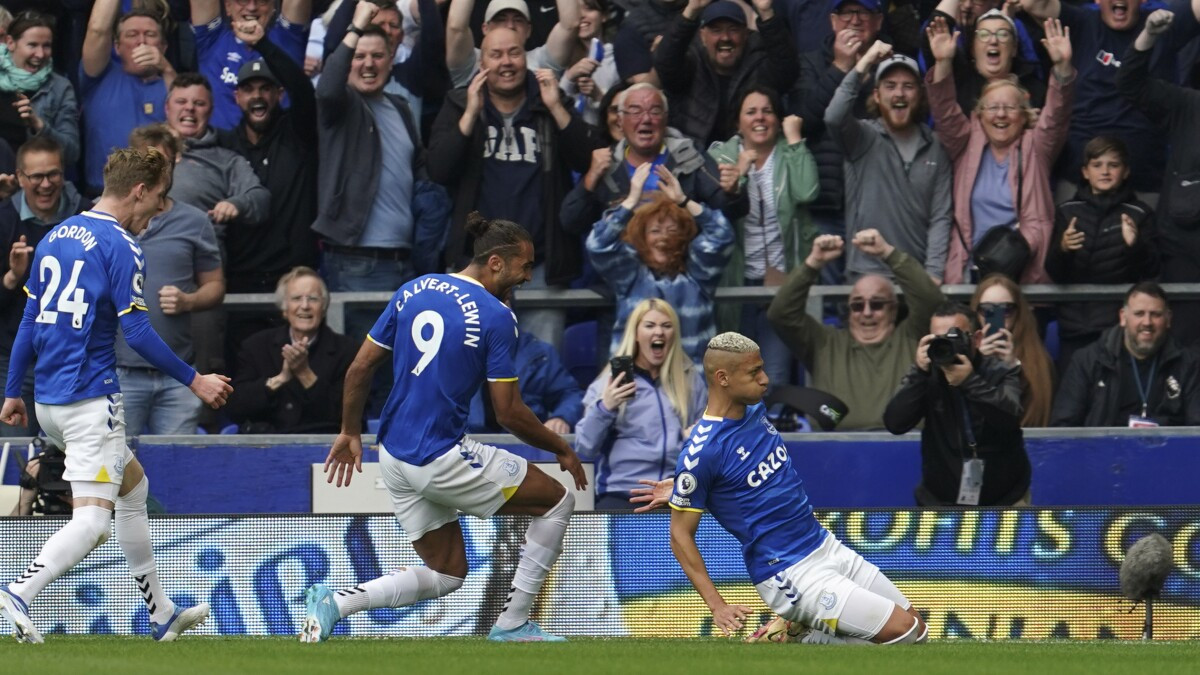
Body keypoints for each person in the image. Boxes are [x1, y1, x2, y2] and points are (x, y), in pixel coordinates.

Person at [302, 213, 587, 643]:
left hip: (394, 455)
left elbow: (359, 368)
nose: (528, 276)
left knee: (447, 571)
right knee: (557, 501)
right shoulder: (497, 316)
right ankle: (513, 624)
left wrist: (349, 431)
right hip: (440, 455)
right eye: (524, 266)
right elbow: (507, 412)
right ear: (495, 262)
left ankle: (336, 603)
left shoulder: (412, 289)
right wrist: (560, 447)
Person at [0, 147, 232, 643]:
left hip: (49, 399)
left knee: (133, 489)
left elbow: (28, 321)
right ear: (140, 191)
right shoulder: (121, 246)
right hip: (90, 400)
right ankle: (19, 591)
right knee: (93, 521)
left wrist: (11, 391)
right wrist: (195, 379)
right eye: (157, 199)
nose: (156, 212)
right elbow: (140, 333)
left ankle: (161, 613)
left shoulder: (55, 235)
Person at [633, 332, 928, 645]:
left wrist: (685, 488)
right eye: (753, 373)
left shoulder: (754, 410)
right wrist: (716, 605)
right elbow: (679, 537)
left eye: (761, 369)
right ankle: (796, 640)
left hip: (823, 543)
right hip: (789, 572)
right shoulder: (703, 451)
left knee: (919, 631)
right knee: (903, 633)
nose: (764, 379)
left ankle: (796, 632)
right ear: (723, 378)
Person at [427, 27, 603, 350]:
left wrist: (556, 106)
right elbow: (438, 169)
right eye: (495, 55)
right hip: (476, 264)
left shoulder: (548, 103)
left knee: (541, 369)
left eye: (514, 52)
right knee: (469, 370)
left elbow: (587, 159)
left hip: (540, 265)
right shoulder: (459, 102)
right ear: (482, 63)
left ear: (527, 57)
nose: (506, 62)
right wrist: (469, 115)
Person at [927, 16, 1075, 284]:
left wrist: (1062, 67)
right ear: (979, 115)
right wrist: (942, 63)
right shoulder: (966, 143)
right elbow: (944, 111)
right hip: (970, 273)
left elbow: (1057, 115)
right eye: (993, 108)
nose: (1001, 115)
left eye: (1010, 108)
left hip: (1024, 276)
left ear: (1025, 115)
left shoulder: (1037, 146)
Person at [314, 4, 425, 341]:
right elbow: (328, 85)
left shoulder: (401, 108)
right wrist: (358, 23)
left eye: (378, 56)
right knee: (368, 371)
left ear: (391, 61)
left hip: (406, 261)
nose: (368, 64)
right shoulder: (341, 106)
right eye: (359, 56)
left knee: (402, 370)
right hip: (356, 262)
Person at [1017, 0, 1200, 197]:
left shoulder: (1159, 23)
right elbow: (1033, 4)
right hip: (1078, 179)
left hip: (1142, 181)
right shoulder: (1083, 22)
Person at [767, 228, 945, 430]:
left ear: (894, 310)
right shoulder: (824, 343)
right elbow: (781, 313)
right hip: (835, 453)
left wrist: (888, 254)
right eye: (857, 305)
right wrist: (813, 264)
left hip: (908, 450)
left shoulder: (912, 337)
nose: (866, 313)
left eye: (877, 304)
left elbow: (933, 303)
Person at [117, 125, 225, 437]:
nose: (151, 173)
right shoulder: (106, 217)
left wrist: (189, 300)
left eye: (159, 163)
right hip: (119, 371)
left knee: (177, 471)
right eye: (143, 163)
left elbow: (216, 286)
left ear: (174, 163)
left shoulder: (194, 220)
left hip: (179, 373)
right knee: (117, 470)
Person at [708, 85, 818, 389]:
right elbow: (717, 208)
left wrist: (795, 140)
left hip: (781, 285)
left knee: (773, 380)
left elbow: (807, 191)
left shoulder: (787, 151)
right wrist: (741, 172)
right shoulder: (720, 155)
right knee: (736, 382)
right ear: (737, 121)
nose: (760, 118)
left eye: (767, 111)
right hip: (736, 284)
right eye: (751, 111)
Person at [825, 42, 952, 282]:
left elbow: (940, 216)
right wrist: (864, 64)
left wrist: (933, 273)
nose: (899, 94)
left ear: (920, 94)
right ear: (876, 94)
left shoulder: (935, 145)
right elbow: (833, 117)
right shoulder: (861, 137)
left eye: (908, 86)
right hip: (866, 276)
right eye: (890, 86)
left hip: (916, 277)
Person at [884, 302, 1031, 506]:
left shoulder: (1001, 370)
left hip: (1005, 499)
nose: (946, 344)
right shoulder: (925, 373)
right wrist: (919, 372)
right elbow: (895, 423)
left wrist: (970, 381)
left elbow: (1010, 418)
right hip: (939, 501)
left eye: (954, 337)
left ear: (977, 339)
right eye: (938, 339)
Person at [587, 163, 735, 364]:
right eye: (655, 231)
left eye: (672, 231)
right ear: (642, 238)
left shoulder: (699, 277)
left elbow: (722, 235)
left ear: (683, 239)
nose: (663, 238)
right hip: (634, 387)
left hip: (690, 386)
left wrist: (684, 201)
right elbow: (597, 244)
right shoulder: (630, 276)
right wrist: (631, 201)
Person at [1115, 8, 1200, 349]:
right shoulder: (1189, 105)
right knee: (1183, 358)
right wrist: (1147, 38)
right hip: (1182, 254)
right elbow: (1129, 84)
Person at [561, 82, 742, 239]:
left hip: (684, 268)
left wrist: (732, 193)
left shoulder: (689, 155)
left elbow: (730, 212)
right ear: (620, 122)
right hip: (622, 271)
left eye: (655, 111)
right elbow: (571, 223)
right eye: (635, 111)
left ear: (665, 119)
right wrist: (591, 178)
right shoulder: (606, 164)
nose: (646, 119)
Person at [574, 298, 706, 509]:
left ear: (674, 334)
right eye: (650, 325)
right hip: (623, 494)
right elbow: (585, 447)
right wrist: (605, 407)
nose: (659, 333)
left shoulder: (689, 380)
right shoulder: (610, 381)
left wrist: (696, 441)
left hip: (675, 493)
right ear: (635, 334)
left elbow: (708, 445)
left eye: (666, 326)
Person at [0, 137, 90, 437]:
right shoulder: (4, 219)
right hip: (14, 363)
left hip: (75, 363)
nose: (46, 184)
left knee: (71, 466)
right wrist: (13, 277)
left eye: (53, 174)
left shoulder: (87, 217)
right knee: (14, 461)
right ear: (20, 177)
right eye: (36, 176)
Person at [1045, 135, 1158, 371]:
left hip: (1118, 329)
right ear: (1085, 172)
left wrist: (1134, 246)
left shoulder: (1140, 213)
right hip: (1073, 326)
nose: (1105, 171)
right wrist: (1063, 249)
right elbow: (1055, 273)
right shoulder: (1067, 212)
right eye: (1097, 165)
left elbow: (1150, 271)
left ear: (1125, 171)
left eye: (1113, 165)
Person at [226, 266, 359, 433]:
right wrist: (280, 379)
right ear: (284, 309)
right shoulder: (255, 346)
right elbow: (236, 408)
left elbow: (348, 417)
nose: (305, 306)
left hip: (324, 448)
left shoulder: (348, 350)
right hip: (264, 445)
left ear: (324, 308)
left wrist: (305, 374)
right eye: (296, 298)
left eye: (313, 299)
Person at [1051, 282, 1200, 427]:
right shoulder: (1087, 361)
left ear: (1168, 319)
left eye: (1155, 314)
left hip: (1168, 450)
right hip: (1105, 450)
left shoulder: (1188, 364)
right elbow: (1064, 426)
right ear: (1123, 317)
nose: (1147, 322)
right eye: (1139, 313)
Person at [654, 0, 799, 147]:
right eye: (716, 30)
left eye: (733, 29)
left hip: (748, 158)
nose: (725, 37)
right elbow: (666, 64)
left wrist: (766, 13)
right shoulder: (692, 61)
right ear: (703, 36)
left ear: (745, 34)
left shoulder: (758, 61)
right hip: (691, 158)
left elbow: (787, 69)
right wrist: (691, 11)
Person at [80, 0, 176, 196]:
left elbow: (182, 118)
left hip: (157, 195)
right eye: (132, 35)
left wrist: (166, 68)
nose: (141, 42)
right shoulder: (100, 75)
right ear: (117, 46)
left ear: (163, 46)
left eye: (150, 35)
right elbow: (98, 29)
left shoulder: (169, 81)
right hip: (103, 193)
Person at [467, 293, 583, 434]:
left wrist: (561, 418)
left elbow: (570, 395)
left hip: (524, 445)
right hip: (464, 446)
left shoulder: (539, 354)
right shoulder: (449, 352)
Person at [188, 0, 313, 130]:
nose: (252, 7)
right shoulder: (211, 40)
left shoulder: (287, 38)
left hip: (278, 144)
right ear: (228, 6)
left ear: (273, 7)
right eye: (242, 0)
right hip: (219, 146)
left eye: (261, 1)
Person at [917, 3, 1046, 116]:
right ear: (973, 48)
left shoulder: (1034, 89)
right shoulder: (959, 81)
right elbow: (934, 29)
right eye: (984, 34)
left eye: (1003, 34)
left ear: (1014, 49)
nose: (993, 40)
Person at [968, 274, 1055, 428]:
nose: (996, 316)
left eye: (1006, 309)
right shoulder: (965, 354)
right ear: (977, 312)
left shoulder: (1037, 359)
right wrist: (978, 366)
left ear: (1018, 313)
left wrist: (1014, 368)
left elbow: (1034, 411)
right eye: (987, 309)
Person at [0, 11, 80, 167]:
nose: (40, 54)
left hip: (37, 182)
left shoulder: (60, 87)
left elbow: (72, 152)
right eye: (32, 45)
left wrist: (38, 125)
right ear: (10, 43)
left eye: (46, 46)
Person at [445, 0, 581, 88]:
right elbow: (456, 27)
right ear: (485, 29)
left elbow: (571, 25)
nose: (510, 26)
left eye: (518, 20)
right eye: (501, 19)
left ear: (529, 30)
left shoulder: (542, 62)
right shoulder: (472, 63)